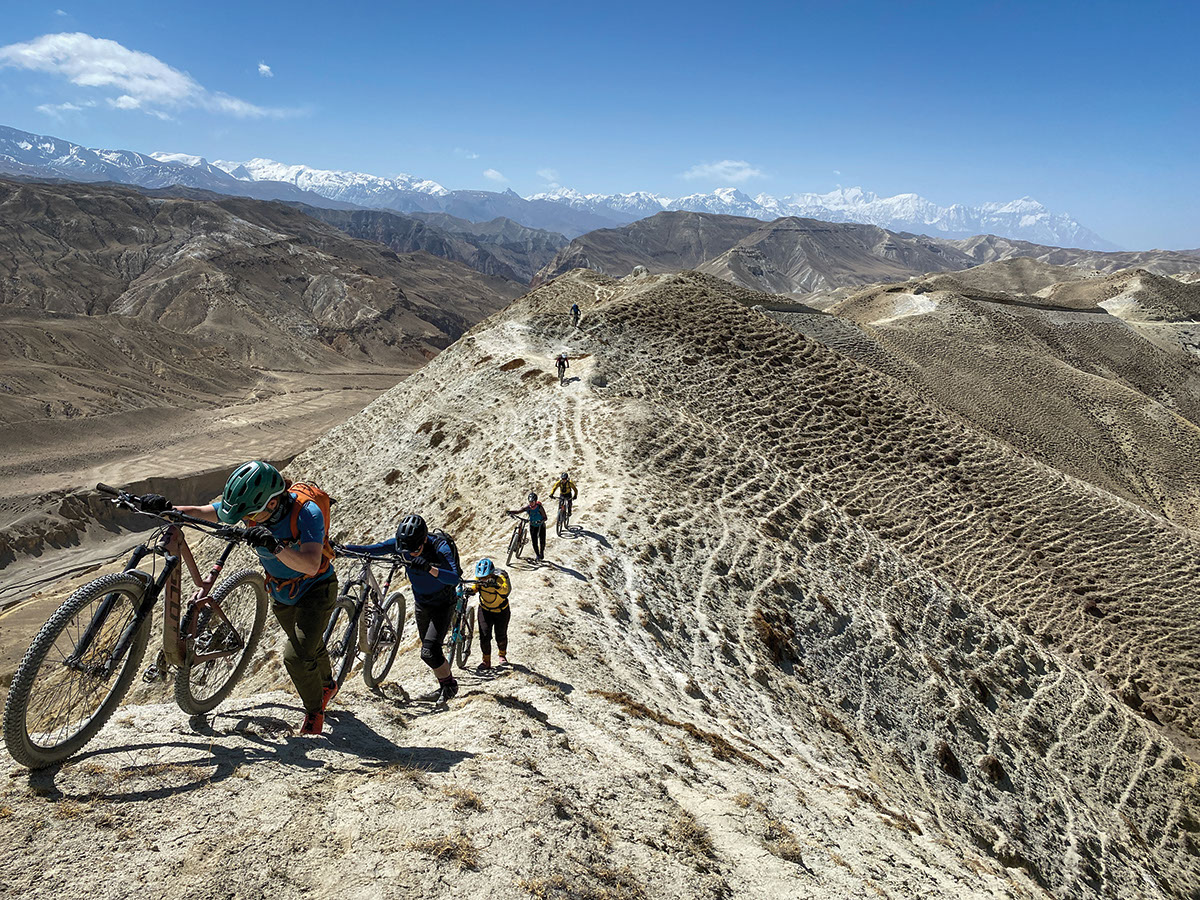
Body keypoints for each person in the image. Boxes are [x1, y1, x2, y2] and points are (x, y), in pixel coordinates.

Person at [144, 461, 338, 736]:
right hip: (281, 592)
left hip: (316, 589)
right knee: (309, 644)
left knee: (295, 656)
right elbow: (205, 513)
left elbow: (310, 563)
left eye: (251, 515)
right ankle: (328, 684)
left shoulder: (307, 513)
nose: (247, 520)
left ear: (272, 504)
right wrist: (169, 511)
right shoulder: (252, 509)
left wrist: (275, 545)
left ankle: (314, 711)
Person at [342, 514, 462, 702]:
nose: (410, 553)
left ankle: (450, 687)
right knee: (430, 652)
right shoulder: (403, 545)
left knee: (429, 651)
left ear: (424, 539)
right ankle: (446, 686)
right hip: (422, 602)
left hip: (443, 603)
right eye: (407, 550)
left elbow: (454, 577)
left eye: (415, 550)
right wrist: (343, 550)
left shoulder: (440, 547)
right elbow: (374, 549)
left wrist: (430, 568)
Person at [461, 558, 511, 671]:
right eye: (481, 577)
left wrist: (495, 585)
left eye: (485, 577)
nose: (482, 579)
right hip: (485, 610)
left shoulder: (500, 579)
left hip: (501, 611)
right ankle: (486, 661)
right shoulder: (479, 579)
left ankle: (502, 655)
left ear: (491, 574)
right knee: (484, 636)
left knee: (501, 635)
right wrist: (471, 590)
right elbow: (475, 587)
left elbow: (505, 591)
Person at [508, 492, 547, 561]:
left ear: (535, 501)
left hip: (541, 526)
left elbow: (545, 517)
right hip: (532, 525)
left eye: (532, 502)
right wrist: (510, 512)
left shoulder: (539, 507)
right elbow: (518, 511)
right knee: (534, 541)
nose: (531, 503)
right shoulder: (528, 507)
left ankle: (542, 553)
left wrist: (540, 521)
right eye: (530, 502)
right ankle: (537, 555)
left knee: (542, 541)